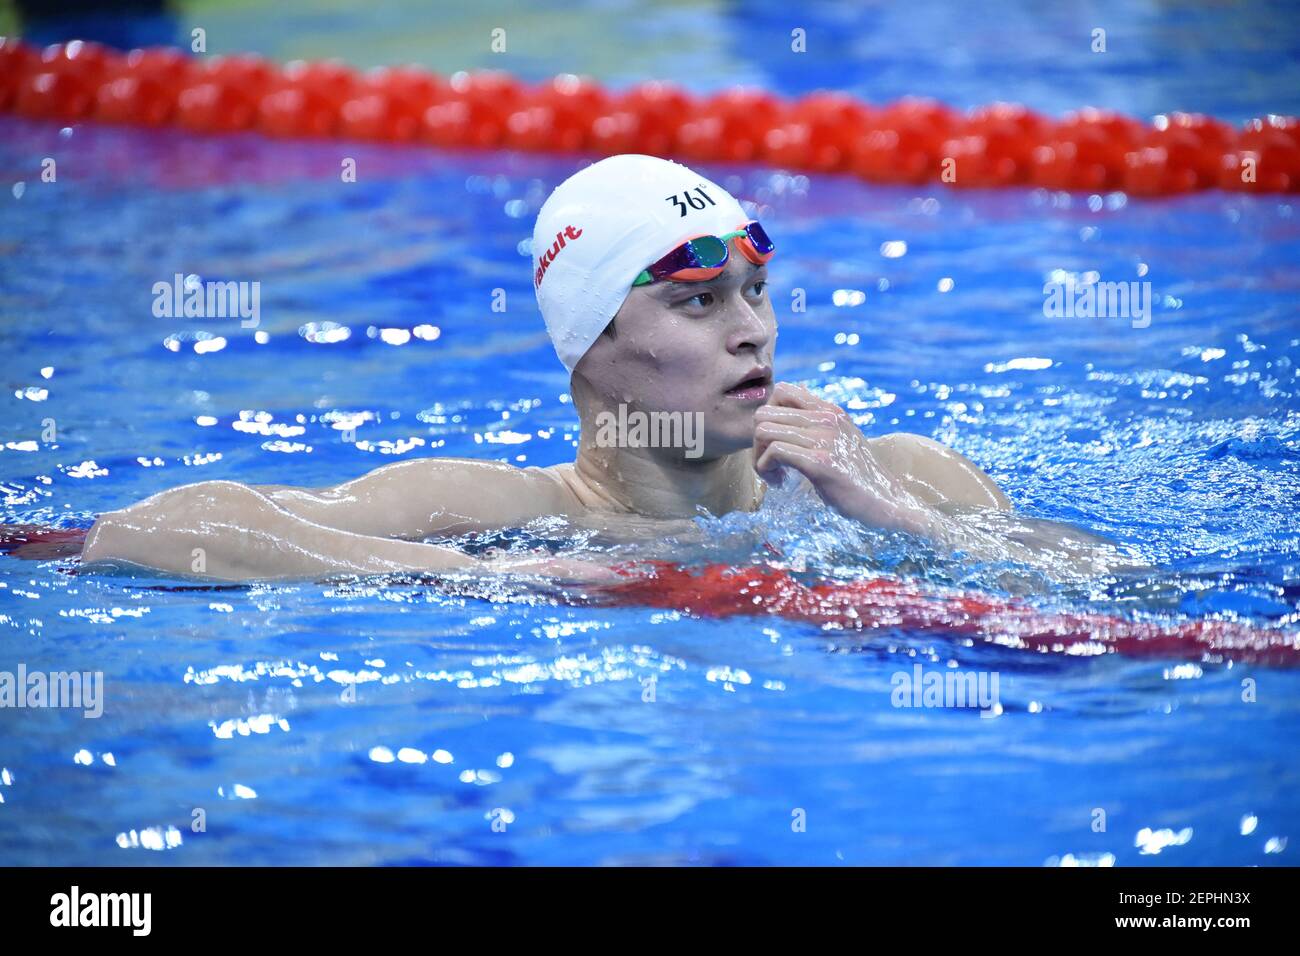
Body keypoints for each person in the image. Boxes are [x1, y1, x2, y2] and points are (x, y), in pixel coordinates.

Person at [79, 154, 1120, 584]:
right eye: (698, 300)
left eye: (755, 290)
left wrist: (903, 519)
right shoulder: (502, 507)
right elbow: (154, 526)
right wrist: (507, 577)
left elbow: (1115, 591)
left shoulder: (898, 468)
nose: (752, 330)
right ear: (591, 349)